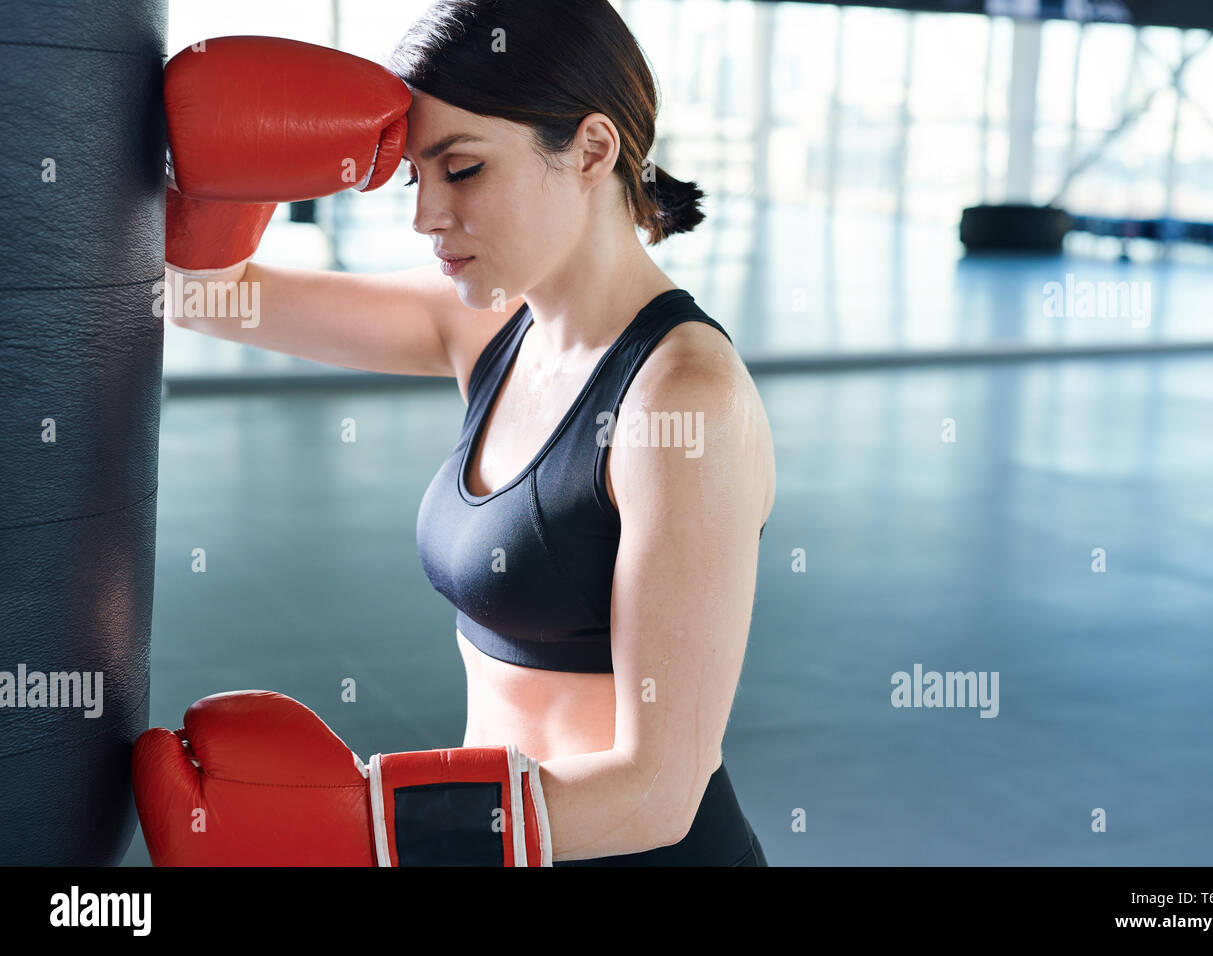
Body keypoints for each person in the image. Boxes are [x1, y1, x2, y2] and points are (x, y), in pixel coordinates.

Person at [165, 0, 775, 866]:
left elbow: (658, 791)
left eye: (464, 170)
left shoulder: (684, 398)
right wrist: (249, 161)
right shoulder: (489, 327)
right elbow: (205, 296)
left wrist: (369, 832)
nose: (425, 217)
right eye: (418, 177)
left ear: (594, 150)